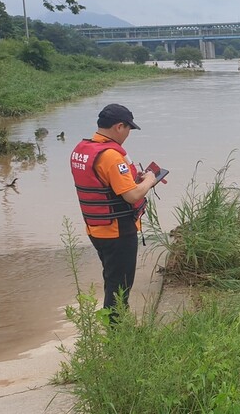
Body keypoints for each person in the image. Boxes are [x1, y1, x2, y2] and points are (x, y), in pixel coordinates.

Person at [70, 103, 158, 322]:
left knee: (112, 278)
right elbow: (132, 196)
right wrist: (149, 180)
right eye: (129, 129)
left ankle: (114, 326)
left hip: (96, 229)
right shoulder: (110, 156)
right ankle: (117, 335)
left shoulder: (81, 150)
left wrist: (132, 182)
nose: (128, 134)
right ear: (120, 126)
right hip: (118, 231)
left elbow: (103, 184)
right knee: (120, 286)